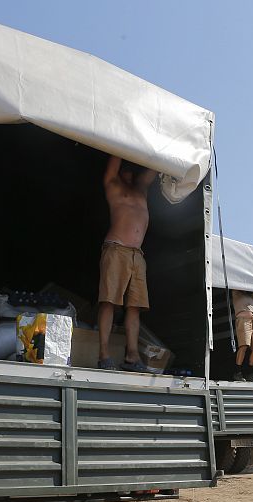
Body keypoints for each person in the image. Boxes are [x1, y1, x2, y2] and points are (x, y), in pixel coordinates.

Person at [97, 155, 158, 372]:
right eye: (127, 168)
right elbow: (116, 151)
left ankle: (132, 356)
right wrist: (128, 147)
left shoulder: (141, 188)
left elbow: (156, 167)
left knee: (135, 308)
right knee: (109, 301)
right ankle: (104, 355)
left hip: (137, 256)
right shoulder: (112, 182)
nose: (130, 173)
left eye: (134, 169)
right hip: (116, 249)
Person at [231, 289, 253, 382]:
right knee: (244, 346)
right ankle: (237, 372)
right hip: (243, 320)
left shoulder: (252, 297)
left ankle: (249, 373)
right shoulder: (236, 293)